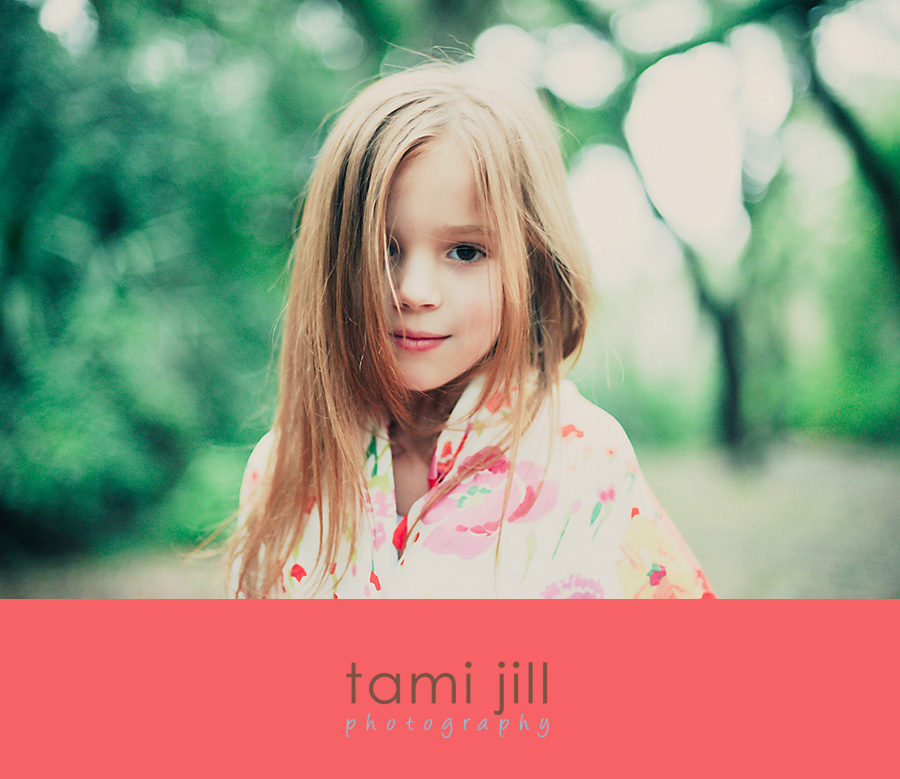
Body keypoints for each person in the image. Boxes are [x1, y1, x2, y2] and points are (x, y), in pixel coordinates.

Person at [229, 62, 715, 599]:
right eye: (383, 248)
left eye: (465, 251)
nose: (413, 291)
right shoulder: (283, 469)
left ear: (532, 264)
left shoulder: (583, 460)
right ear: (336, 259)